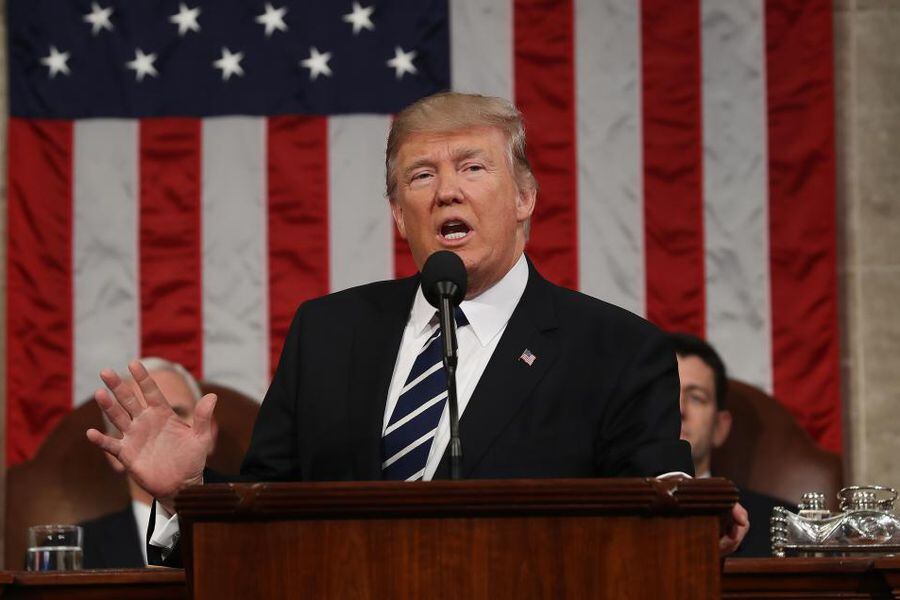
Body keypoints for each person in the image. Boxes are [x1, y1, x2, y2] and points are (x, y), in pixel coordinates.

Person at [86, 92, 747, 564]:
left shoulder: (617, 350)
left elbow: (664, 511)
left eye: (472, 167)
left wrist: (695, 518)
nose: (447, 192)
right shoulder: (327, 332)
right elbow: (267, 519)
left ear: (524, 198)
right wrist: (188, 493)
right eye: (422, 176)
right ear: (400, 216)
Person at [80, 357, 212, 568]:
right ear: (111, 453)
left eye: (177, 412)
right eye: (141, 419)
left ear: (210, 433)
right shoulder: (73, 550)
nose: (167, 430)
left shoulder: (254, 535)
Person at [671, 332, 791, 557]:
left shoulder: (781, 529)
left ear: (720, 427)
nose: (680, 409)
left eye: (696, 397)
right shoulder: (606, 518)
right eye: (667, 393)